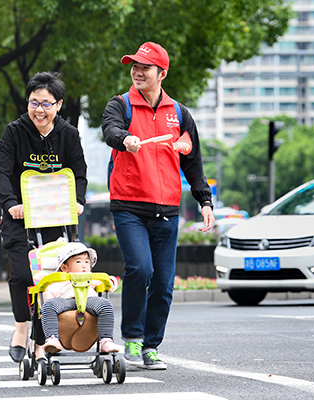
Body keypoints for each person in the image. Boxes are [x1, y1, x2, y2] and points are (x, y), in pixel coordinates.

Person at [101, 42, 215, 370]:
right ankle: (133, 339)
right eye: (134, 66)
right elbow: (109, 130)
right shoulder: (120, 105)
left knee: (165, 283)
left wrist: (204, 200)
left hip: (167, 208)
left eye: (145, 67)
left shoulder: (179, 114)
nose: (137, 71)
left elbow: (192, 162)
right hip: (129, 205)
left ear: (162, 73)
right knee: (140, 268)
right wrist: (124, 139)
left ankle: (151, 346)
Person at [0, 71, 88, 364]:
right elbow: (1, 172)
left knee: (50, 280)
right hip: (19, 218)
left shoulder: (68, 135)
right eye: (34, 102)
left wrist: (79, 201)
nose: (39, 110)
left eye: (46, 104)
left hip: (57, 220)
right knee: (24, 275)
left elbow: (79, 173)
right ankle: (22, 326)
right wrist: (10, 204)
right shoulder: (14, 131)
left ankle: (41, 338)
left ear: (58, 105)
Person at [39, 242, 120, 354]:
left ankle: (106, 340)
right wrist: (47, 304)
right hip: (67, 302)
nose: (84, 265)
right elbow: (48, 294)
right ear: (64, 267)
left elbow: (109, 284)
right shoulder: (59, 280)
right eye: (78, 261)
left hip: (89, 300)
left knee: (106, 305)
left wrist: (109, 281)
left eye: (87, 261)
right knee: (48, 305)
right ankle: (52, 339)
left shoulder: (91, 278)